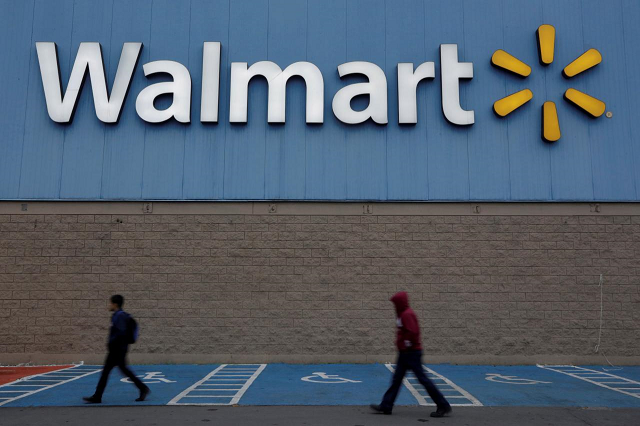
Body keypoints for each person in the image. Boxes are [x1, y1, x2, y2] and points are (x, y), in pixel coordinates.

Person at [370, 291, 451, 418]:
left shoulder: (407, 314)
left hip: (411, 353)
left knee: (422, 379)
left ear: (400, 303)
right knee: (397, 380)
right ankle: (386, 405)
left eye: (395, 303)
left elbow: (412, 333)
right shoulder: (403, 314)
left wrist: (405, 344)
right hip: (405, 353)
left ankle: (443, 405)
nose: (394, 306)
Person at [83, 295, 149, 403]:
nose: (109, 305)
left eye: (110, 303)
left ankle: (97, 396)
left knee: (111, 371)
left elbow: (121, 332)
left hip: (117, 350)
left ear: (115, 304)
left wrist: (112, 343)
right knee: (114, 371)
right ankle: (98, 396)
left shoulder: (119, 316)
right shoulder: (117, 315)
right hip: (118, 349)